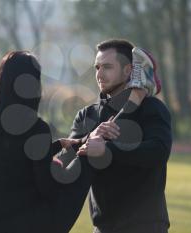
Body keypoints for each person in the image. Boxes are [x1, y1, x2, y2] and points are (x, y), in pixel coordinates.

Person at [0, 51, 95, 233]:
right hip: (30, 225)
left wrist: (56, 146)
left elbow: (14, 159)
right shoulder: (35, 128)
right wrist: (80, 157)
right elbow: (48, 189)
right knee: (89, 157)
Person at [61, 39, 172, 233]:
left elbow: (159, 152)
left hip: (146, 226)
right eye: (97, 67)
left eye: (107, 67)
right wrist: (89, 140)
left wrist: (108, 149)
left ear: (128, 70)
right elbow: (68, 161)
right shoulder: (87, 115)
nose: (99, 74)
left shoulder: (152, 108)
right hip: (103, 227)